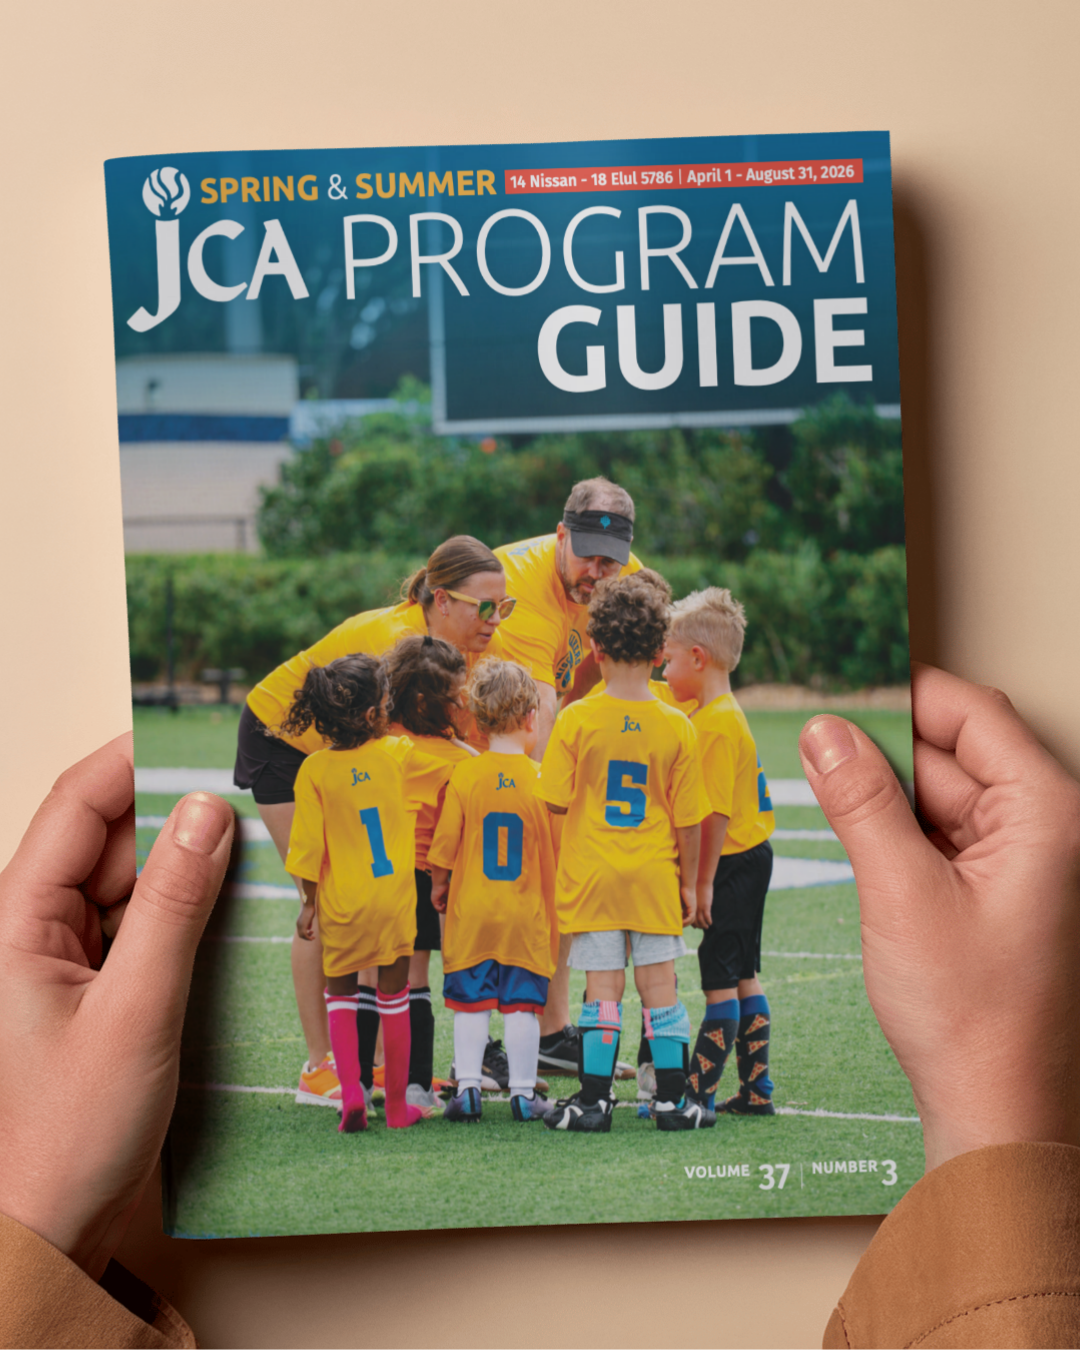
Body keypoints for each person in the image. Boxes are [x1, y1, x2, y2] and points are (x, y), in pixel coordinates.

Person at [5, 666, 1080, 1346]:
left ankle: (392, 1092)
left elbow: (406, 852)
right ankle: (594, 1094)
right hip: (571, 908)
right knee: (617, 994)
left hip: (435, 914)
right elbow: (606, 827)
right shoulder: (628, 740)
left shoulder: (405, 774)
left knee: (391, 994)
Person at [232, 534, 514, 1106]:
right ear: (442, 600)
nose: (495, 620)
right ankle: (322, 1067)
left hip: (355, 749)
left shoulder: (466, 640)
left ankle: (387, 1068)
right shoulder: (394, 645)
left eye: (503, 606)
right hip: (284, 742)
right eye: (485, 607)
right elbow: (390, 747)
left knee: (382, 902)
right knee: (329, 897)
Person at [538, 572, 714, 1132]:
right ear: (661, 651)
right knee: (661, 988)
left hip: (593, 876)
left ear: (595, 648)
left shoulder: (576, 718)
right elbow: (689, 821)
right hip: (654, 876)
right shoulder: (677, 725)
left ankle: (593, 1102)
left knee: (602, 990)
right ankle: (672, 1102)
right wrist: (688, 884)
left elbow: (554, 801)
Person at [494, 476, 641, 1073]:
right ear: (560, 534)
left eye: (611, 561)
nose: (598, 574)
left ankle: (550, 1035)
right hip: (462, 736)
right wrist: (558, 802)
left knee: (550, 887)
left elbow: (633, 678)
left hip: (514, 731)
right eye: (587, 557)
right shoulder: (521, 586)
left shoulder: (624, 578)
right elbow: (539, 715)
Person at [283, 653, 455, 1132]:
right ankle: (397, 1108)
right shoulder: (397, 754)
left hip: (342, 905)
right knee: (393, 998)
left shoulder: (314, 771)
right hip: (394, 901)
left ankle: (352, 1096)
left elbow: (307, 850)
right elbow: (450, 766)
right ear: (373, 713)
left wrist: (308, 905)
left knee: (340, 996)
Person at [661, 587, 777, 1116]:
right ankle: (756, 1092)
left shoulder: (713, 725)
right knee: (744, 974)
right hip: (752, 855)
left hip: (728, 862)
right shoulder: (723, 713)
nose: (664, 672)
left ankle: (698, 1096)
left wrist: (700, 883)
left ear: (697, 658)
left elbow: (714, 816)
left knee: (719, 982)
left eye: (668, 661)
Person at [428, 659, 559, 1125]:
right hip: (527, 913)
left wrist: (439, 885)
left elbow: (444, 847)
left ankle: (467, 1089)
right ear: (531, 718)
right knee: (522, 1005)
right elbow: (557, 850)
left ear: (479, 724)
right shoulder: (542, 780)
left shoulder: (465, 776)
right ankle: (523, 1094)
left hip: (473, 912)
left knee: (471, 1002)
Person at [383, 633, 478, 1109]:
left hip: (380, 873)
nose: (464, 705)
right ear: (427, 703)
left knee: (385, 979)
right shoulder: (457, 759)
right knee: (423, 977)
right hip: (426, 876)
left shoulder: (379, 742)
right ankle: (422, 1085)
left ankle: (380, 1079)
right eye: (457, 697)